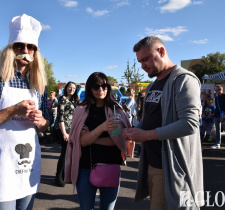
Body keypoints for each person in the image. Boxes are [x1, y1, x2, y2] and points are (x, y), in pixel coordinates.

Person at [0, 14, 50, 210]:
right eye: (19, 46)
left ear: (36, 52)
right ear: (10, 49)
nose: (25, 51)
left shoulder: (39, 83)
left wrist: (41, 121)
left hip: (28, 164)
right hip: (3, 164)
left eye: (30, 47)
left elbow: (47, 125)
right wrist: (14, 109)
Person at [123, 36, 204, 209]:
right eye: (139, 61)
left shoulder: (184, 80)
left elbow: (190, 123)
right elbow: (148, 120)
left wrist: (145, 135)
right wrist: (133, 131)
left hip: (173, 168)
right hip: (152, 164)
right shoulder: (152, 86)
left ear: (161, 51)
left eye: (145, 59)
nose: (143, 65)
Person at [64, 72, 134, 209]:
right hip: (86, 168)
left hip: (110, 167)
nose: (101, 89)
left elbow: (118, 141)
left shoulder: (116, 110)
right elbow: (82, 142)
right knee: (85, 208)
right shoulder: (82, 110)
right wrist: (102, 128)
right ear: (90, 88)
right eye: (96, 86)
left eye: (104, 86)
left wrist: (92, 138)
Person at [54, 81, 79, 187]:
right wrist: (64, 133)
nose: (72, 89)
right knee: (64, 153)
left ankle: (65, 175)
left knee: (69, 153)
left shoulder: (73, 100)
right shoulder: (63, 99)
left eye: (74, 88)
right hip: (62, 129)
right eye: (70, 87)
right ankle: (58, 177)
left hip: (70, 129)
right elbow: (60, 117)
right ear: (66, 88)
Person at [211, 85, 225, 149]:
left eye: (216, 90)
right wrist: (214, 116)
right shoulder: (217, 98)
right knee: (217, 130)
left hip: (224, 115)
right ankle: (217, 144)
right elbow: (216, 107)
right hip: (217, 115)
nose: (215, 91)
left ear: (220, 90)